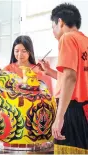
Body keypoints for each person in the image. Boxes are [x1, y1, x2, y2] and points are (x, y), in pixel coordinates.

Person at [39, 3, 88, 154]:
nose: (53, 31)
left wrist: (59, 118)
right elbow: (74, 77)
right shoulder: (84, 41)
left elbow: (70, 78)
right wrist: (49, 71)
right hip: (83, 110)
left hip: (71, 110)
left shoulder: (67, 38)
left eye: (53, 26)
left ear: (60, 22)